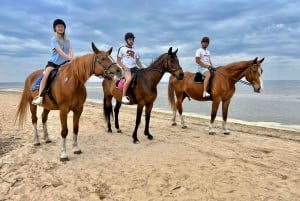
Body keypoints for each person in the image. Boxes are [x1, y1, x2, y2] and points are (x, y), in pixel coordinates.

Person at [32, 19, 73, 105]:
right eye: (58, 27)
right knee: (46, 75)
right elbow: (59, 51)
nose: (60, 28)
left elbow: (70, 49)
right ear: (55, 28)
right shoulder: (54, 39)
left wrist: (71, 58)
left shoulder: (67, 41)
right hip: (53, 63)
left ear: (64, 28)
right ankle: (40, 97)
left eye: (62, 27)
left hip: (65, 63)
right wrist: (68, 57)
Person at [117, 32, 143, 104]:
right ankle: (123, 97)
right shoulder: (122, 49)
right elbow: (118, 60)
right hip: (126, 69)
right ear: (126, 40)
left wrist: (141, 67)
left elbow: (137, 60)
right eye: (130, 39)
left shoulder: (135, 50)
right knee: (129, 79)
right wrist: (124, 67)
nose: (131, 41)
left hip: (134, 68)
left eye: (132, 39)